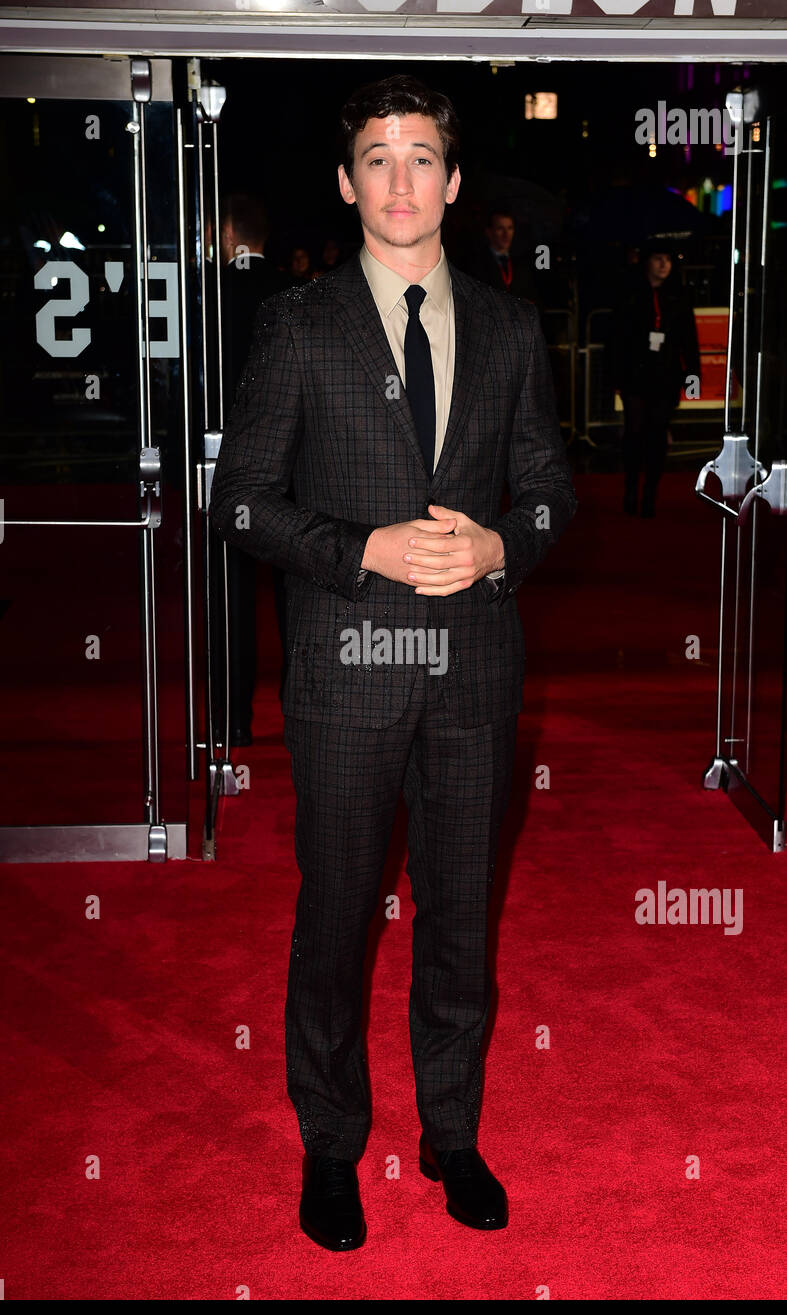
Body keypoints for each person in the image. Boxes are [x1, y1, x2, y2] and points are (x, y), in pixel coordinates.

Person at [210, 73, 577, 1251]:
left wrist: (497, 544)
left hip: (474, 673)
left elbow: (552, 497)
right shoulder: (297, 326)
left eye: (421, 156)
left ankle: (452, 1134)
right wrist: (358, 547)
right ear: (346, 181)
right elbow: (242, 506)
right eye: (377, 157)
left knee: (459, 918)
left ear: (454, 182)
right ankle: (330, 1143)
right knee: (335, 917)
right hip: (346, 669)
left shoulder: (512, 327)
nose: (400, 179)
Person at [219, 192, 288, 742]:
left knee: (231, 595)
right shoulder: (296, 292)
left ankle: (233, 722)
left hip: (234, 467)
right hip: (294, 470)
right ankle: (302, 716)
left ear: (228, 233)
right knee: (300, 595)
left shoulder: (213, 294)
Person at [611, 239, 701, 518]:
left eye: (668, 259)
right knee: (635, 431)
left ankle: (650, 493)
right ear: (647, 262)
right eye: (658, 258)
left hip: (666, 376)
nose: (664, 264)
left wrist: (693, 376)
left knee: (657, 435)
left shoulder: (679, 295)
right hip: (635, 375)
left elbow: (690, 339)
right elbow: (616, 338)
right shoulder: (630, 293)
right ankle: (630, 490)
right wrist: (614, 375)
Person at [463, 207, 541, 310]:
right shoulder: (476, 264)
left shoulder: (522, 264)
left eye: (510, 228)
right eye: (500, 228)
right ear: (489, 232)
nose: (506, 234)